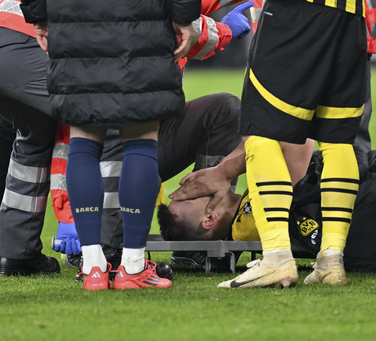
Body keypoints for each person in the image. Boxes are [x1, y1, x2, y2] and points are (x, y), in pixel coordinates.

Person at [48, 1, 253, 269]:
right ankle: (114, 255)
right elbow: (172, 23)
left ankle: (197, 239)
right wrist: (223, 28)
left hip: (92, 89)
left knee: (222, 110)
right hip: (125, 97)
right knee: (130, 141)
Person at [21, 0, 201, 290]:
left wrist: (39, 16)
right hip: (143, 23)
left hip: (73, 22)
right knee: (141, 142)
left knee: (83, 141)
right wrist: (184, 17)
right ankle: (132, 266)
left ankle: (93, 266)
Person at [222, 0, 367, 289]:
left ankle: (276, 257)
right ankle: (331, 260)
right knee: (337, 140)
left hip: (296, 13)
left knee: (259, 131)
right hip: (350, 16)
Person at [161, 143, 376, 273]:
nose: (197, 184)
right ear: (210, 218)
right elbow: (292, 139)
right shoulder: (250, 219)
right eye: (194, 194)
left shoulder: (246, 220)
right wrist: (224, 170)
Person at [0, 0, 60, 276]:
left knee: (35, 132)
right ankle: (109, 252)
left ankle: (19, 253)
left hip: (13, 34)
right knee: (99, 121)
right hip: (22, 38)